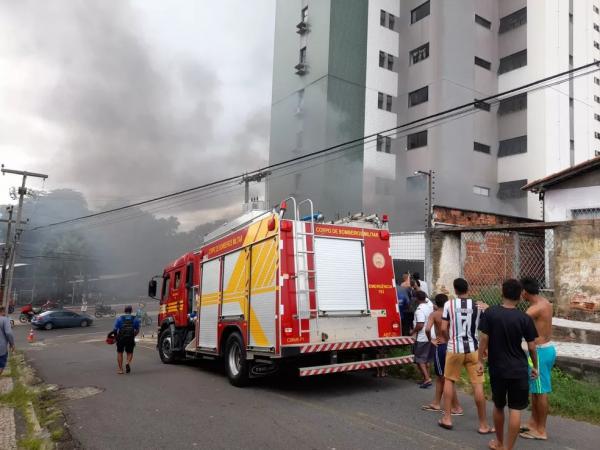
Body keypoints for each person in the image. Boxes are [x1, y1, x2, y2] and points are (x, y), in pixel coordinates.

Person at [478, 279, 538, 450]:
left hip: (498, 369)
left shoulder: (491, 313)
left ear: (502, 293)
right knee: (515, 409)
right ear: (520, 295)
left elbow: (484, 338)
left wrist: (480, 360)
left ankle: (499, 442)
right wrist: (535, 366)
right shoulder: (524, 318)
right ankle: (508, 448)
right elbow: (532, 346)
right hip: (518, 369)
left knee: (498, 405)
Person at [439, 278, 493, 434]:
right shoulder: (478, 306)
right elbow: (485, 330)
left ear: (455, 290)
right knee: (478, 385)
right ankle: (483, 425)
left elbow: (443, 328)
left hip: (454, 349)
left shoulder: (449, 304)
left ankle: (448, 418)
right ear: (467, 289)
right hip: (474, 350)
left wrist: (449, 340)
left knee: (449, 380)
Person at [519, 277, 555, 441]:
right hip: (545, 349)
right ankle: (534, 423)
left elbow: (516, 320)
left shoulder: (534, 309)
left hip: (539, 352)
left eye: (521, 291)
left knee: (541, 392)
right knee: (535, 390)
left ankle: (541, 430)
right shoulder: (545, 302)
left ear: (524, 292)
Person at [422, 294, 463, 415]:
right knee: (443, 378)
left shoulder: (434, 315)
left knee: (444, 378)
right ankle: (436, 403)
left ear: (436, 303)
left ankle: (456, 407)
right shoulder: (452, 314)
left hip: (441, 346)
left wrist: (431, 340)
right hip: (452, 346)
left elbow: (428, 329)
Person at [410, 290, 434, 388]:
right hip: (430, 336)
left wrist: (412, 332)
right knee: (426, 359)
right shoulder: (429, 307)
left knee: (420, 359)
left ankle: (427, 379)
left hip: (422, 337)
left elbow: (420, 324)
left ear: (416, 299)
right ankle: (426, 378)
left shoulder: (419, 310)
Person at [112, 306, 141, 374]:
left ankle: (120, 370)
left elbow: (115, 330)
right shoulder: (135, 319)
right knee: (130, 352)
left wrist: (116, 338)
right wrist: (133, 336)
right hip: (130, 338)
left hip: (121, 338)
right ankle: (127, 362)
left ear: (124, 311)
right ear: (131, 311)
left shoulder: (119, 318)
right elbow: (137, 330)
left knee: (120, 353)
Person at [0, 306, 15, 376]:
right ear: (2, 311)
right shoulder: (4, 320)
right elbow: (9, 333)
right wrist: (12, 344)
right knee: (1, 365)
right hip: (1, 349)